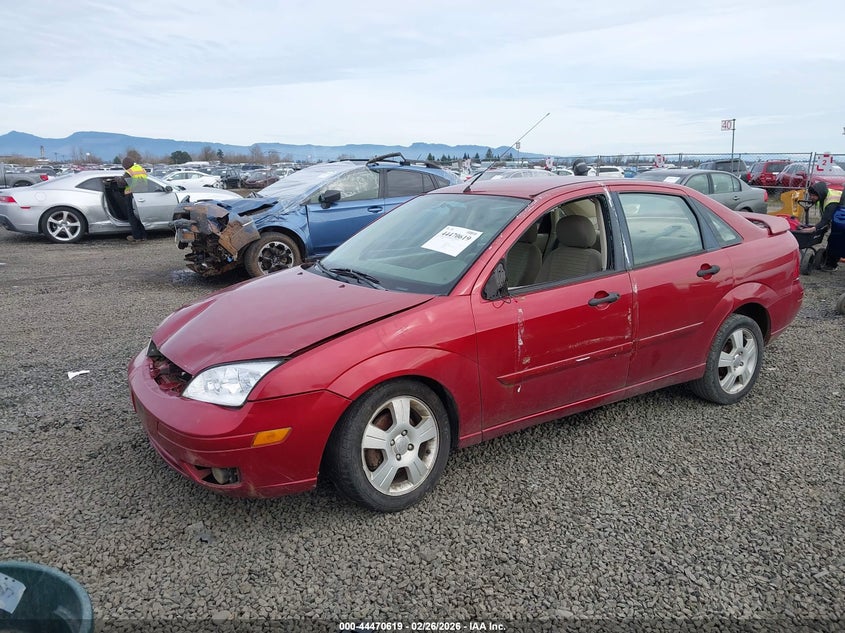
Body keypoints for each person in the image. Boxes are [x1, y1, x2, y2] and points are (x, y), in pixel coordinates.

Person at [807, 181, 844, 271]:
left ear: (820, 194)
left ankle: (832, 264)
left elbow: (826, 219)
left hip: (842, 219)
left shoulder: (831, 202)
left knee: (835, 240)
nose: (811, 197)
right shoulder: (823, 196)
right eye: (810, 195)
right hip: (839, 219)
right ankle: (829, 260)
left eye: (813, 196)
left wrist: (814, 228)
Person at [122, 156, 149, 242]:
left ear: (127, 164)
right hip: (141, 195)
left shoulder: (129, 171)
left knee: (132, 217)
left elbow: (123, 182)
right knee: (139, 216)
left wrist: (117, 179)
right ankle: (143, 236)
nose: (124, 167)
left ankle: (136, 237)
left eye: (124, 165)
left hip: (131, 195)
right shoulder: (141, 169)